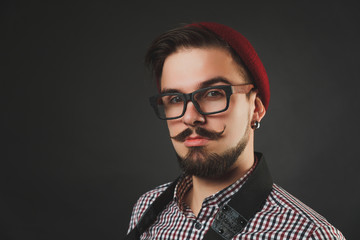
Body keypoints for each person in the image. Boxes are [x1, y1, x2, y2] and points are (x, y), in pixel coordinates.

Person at [125, 22, 345, 240]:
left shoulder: (310, 235)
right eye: (174, 99)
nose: (190, 117)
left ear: (256, 108)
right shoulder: (147, 207)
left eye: (213, 94)